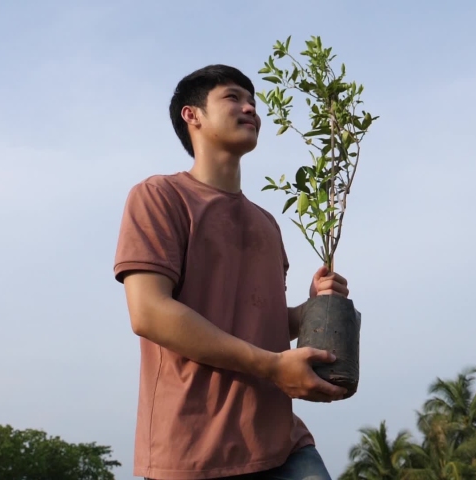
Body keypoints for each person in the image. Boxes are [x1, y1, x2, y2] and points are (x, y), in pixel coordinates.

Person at [113, 64, 352, 480]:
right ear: (193, 115)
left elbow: (263, 321)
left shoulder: (266, 223)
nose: (250, 109)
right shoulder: (159, 197)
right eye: (233, 98)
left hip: (281, 443)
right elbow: (148, 312)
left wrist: (313, 309)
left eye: (253, 102)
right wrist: (274, 366)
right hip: (193, 450)